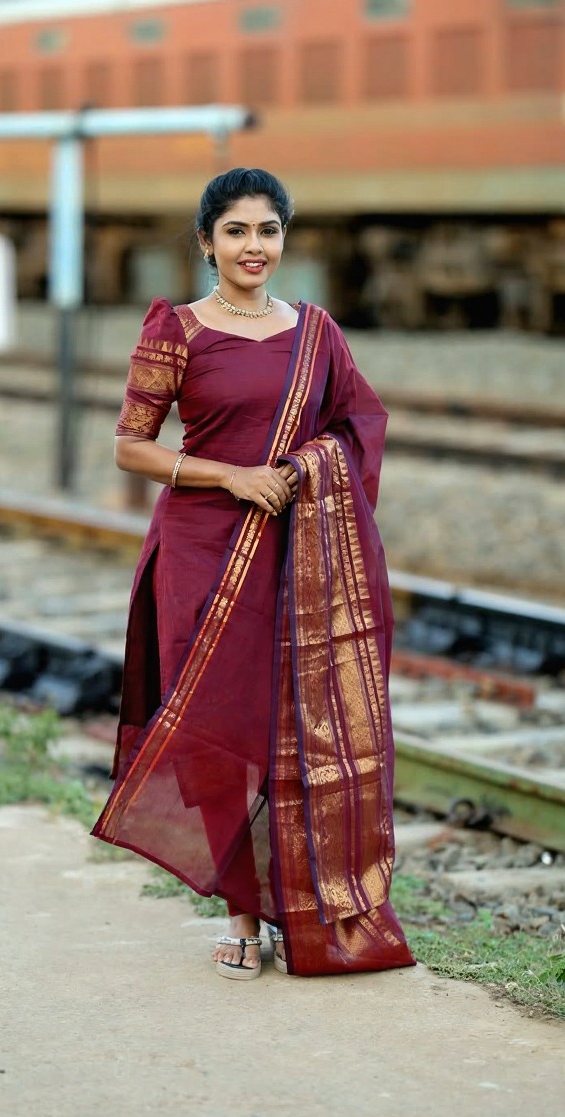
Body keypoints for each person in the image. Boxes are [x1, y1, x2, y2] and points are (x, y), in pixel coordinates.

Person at [92, 168, 414, 980]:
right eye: (236, 231)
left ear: (284, 239)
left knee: (298, 728)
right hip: (203, 556)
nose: (254, 247)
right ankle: (242, 909)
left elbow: (359, 424)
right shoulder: (179, 331)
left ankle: (305, 901)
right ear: (206, 242)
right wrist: (230, 476)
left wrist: (306, 465)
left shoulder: (317, 332)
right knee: (218, 733)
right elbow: (132, 446)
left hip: (298, 553)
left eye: (267, 230)